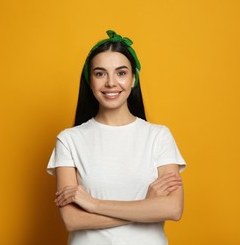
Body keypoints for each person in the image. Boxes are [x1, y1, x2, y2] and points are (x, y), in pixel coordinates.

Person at [46, 30, 186, 245]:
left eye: (121, 73)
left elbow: (172, 209)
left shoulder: (159, 136)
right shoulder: (69, 140)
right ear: (89, 81)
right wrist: (145, 207)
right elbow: (72, 220)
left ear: (133, 79)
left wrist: (94, 205)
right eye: (100, 73)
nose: (111, 83)